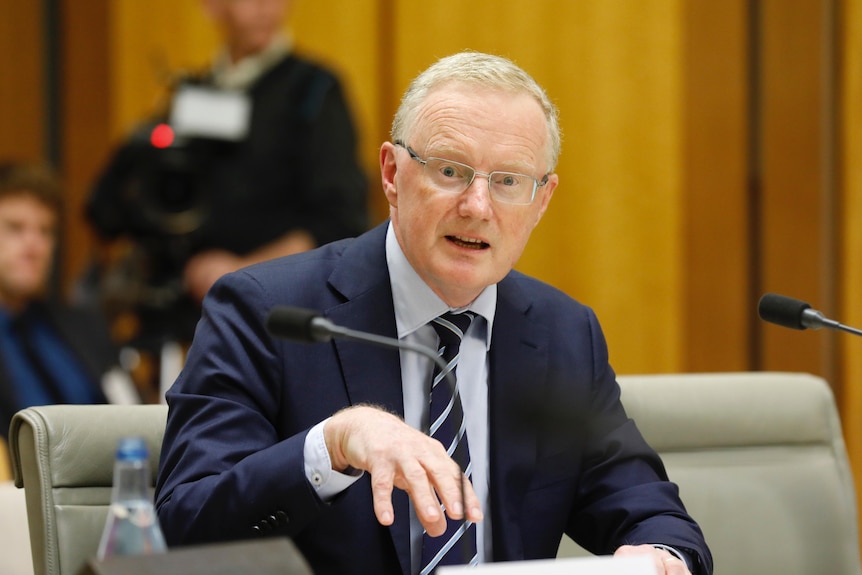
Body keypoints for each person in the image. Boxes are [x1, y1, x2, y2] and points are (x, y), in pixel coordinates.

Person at [155, 51, 713, 575]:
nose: (476, 206)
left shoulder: (563, 333)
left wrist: (664, 557)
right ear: (392, 174)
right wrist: (334, 442)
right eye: (449, 171)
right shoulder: (268, 312)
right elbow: (186, 522)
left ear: (541, 200)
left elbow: (648, 510)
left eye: (509, 182)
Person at [85, 0, 368, 344]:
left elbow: (340, 219)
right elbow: (110, 209)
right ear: (212, 6)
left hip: (278, 318)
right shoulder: (194, 95)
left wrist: (241, 271)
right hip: (188, 315)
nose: (266, 7)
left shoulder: (314, 92)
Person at [0, 162, 137, 442]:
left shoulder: (84, 325)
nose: (33, 246)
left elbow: (133, 411)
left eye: (45, 232)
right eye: (15, 228)